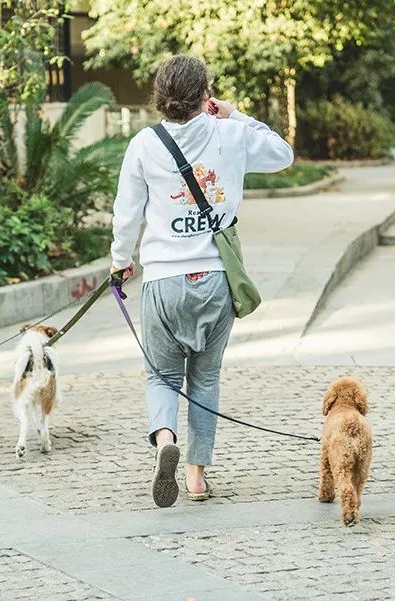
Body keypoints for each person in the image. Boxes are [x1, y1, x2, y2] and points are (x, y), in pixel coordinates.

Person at [109, 55, 293, 508]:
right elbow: (282, 155)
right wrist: (234, 113)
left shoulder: (143, 144)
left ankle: (165, 438)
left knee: (161, 374)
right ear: (204, 95)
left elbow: (126, 214)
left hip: (163, 282)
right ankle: (194, 476)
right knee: (205, 379)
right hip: (215, 279)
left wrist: (120, 262)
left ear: (160, 97)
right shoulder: (230, 134)